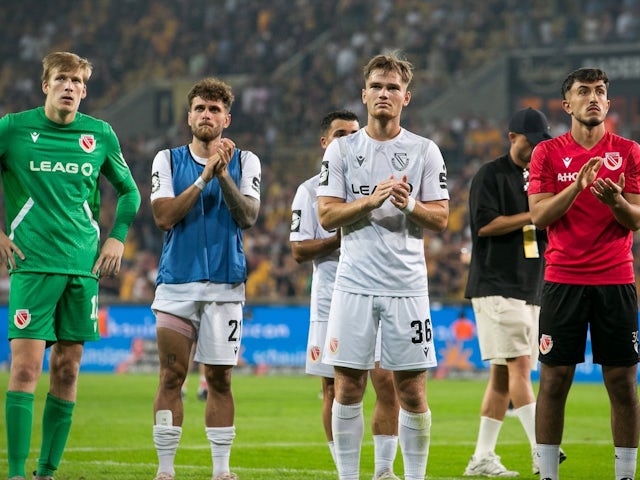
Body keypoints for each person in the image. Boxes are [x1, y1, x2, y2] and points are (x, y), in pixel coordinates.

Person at [0, 51, 141, 480]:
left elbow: (130, 193)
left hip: (83, 269)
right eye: (62, 79)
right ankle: (18, 474)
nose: (69, 87)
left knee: (66, 368)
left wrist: (117, 236)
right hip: (31, 264)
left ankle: (47, 472)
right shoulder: (13, 128)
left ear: (84, 89)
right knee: (25, 368)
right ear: (46, 85)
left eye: (77, 81)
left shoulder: (100, 134)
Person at [317, 52, 449, 480]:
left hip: (407, 287)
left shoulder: (424, 150)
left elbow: (442, 218)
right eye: (377, 86)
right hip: (353, 285)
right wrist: (370, 201)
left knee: (411, 389)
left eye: (393, 87)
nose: (384, 94)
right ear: (364, 94)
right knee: (348, 386)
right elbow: (326, 215)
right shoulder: (341, 149)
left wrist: (408, 202)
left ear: (406, 98)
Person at [529, 67, 640, 480]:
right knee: (554, 381)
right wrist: (576, 187)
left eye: (600, 92)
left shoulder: (629, 151)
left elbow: (634, 220)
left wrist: (615, 202)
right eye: (584, 91)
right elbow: (539, 216)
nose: (593, 97)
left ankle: (626, 476)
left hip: (615, 280)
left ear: (608, 104)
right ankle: (547, 475)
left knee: (623, 384)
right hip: (563, 281)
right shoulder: (547, 153)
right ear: (567, 104)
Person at [149, 77, 261, 480]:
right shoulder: (167, 159)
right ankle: (165, 471)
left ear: (226, 119)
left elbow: (247, 217)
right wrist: (203, 178)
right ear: (189, 117)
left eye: (214, 110)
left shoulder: (247, 162)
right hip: (177, 283)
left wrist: (223, 174)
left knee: (219, 378)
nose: (206, 115)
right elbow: (164, 217)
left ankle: (221, 471)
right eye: (200, 108)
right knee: (172, 376)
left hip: (226, 287)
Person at [290, 110, 400, 480]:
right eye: (341, 134)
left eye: (355, 133)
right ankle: (345, 472)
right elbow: (299, 250)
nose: (349, 139)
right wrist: (340, 236)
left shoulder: (379, 182)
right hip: (331, 296)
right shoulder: (309, 191)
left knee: (386, 379)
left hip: (378, 290)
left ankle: (384, 470)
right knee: (333, 388)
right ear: (325, 142)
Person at [464, 108, 565, 477]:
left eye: (541, 144)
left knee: (503, 377)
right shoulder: (490, 175)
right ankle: (542, 450)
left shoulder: (541, 176)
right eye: (530, 143)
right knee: (521, 367)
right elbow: (484, 226)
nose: (536, 150)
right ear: (512, 137)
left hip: (529, 286)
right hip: (496, 284)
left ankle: (481, 458)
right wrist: (533, 215)